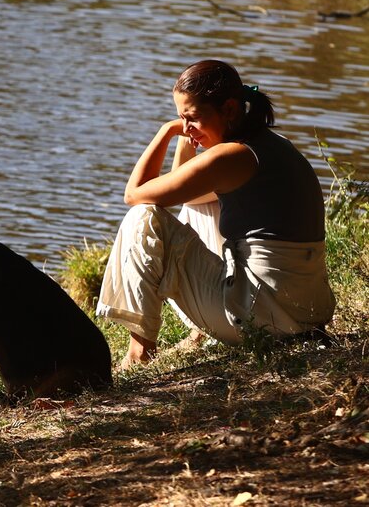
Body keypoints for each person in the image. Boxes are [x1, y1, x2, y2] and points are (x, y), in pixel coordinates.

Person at [96, 59, 336, 369]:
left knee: (142, 217)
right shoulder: (271, 146)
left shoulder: (229, 157)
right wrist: (188, 131)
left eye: (192, 118)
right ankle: (201, 332)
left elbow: (135, 193)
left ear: (230, 110)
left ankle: (139, 354)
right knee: (198, 204)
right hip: (304, 314)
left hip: (262, 317)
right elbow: (187, 189)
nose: (186, 128)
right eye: (181, 118)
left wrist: (165, 131)